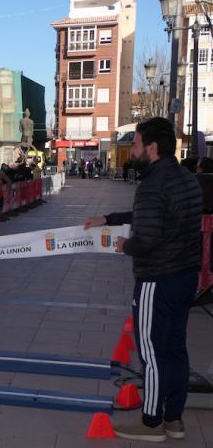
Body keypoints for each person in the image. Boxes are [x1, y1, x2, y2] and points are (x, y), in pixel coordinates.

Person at [84, 117, 202, 443]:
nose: (132, 150)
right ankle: (174, 419)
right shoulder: (186, 179)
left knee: (151, 353)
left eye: (135, 144)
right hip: (184, 276)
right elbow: (153, 216)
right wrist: (108, 218)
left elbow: (145, 238)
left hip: (156, 279)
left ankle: (151, 423)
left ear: (152, 148)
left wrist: (125, 246)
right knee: (175, 349)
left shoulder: (153, 184)